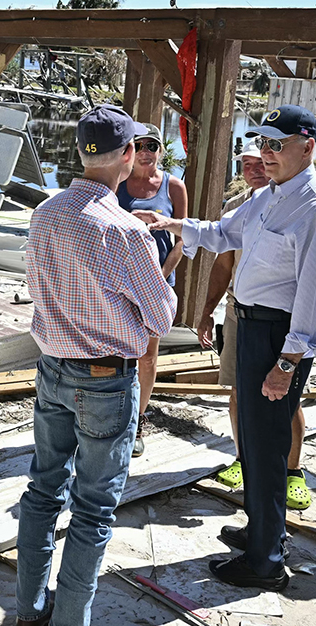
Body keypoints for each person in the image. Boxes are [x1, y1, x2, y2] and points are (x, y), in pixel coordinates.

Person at [136, 105, 316, 591]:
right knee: (250, 439)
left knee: (269, 445)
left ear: (307, 146)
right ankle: (259, 529)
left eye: (277, 144)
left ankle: (267, 560)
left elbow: (315, 298)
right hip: (251, 326)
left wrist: (288, 362)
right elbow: (223, 232)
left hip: (279, 336)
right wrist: (169, 225)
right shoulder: (269, 196)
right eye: (263, 144)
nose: (267, 154)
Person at [16, 105, 177, 626]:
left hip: (53, 367)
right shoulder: (125, 231)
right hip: (105, 378)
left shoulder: (45, 213)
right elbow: (160, 315)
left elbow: (40, 290)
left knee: (43, 491)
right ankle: (69, 619)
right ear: (128, 156)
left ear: (80, 152)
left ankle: (29, 610)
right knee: (92, 508)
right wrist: (160, 258)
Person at [200, 144, 313, 510]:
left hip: (281, 320)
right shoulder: (240, 210)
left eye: (260, 163)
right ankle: (243, 459)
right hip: (239, 313)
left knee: (287, 399)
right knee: (239, 392)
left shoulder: (302, 207)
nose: (254, 170)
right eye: (246, 165)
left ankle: (293, 472)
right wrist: (207, 312)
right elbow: (222, 264)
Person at [116, 122, 189, 458]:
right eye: (140, 145)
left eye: (153, 146)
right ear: (131, 150)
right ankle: (111, 415)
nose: (146, 152)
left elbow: (181, 241)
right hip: (119, 284)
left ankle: (139, 419)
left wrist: (159, 277)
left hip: (158, 283)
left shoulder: (174, 187)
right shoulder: (117, 186)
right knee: (116, 352)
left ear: (162, 151)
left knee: (147, 355)